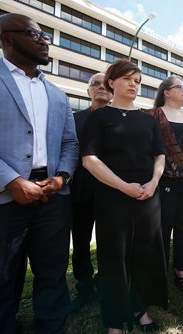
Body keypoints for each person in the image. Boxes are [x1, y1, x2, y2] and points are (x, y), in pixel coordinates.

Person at [0, 13, 79, 333]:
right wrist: (12, 181)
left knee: (53, 274)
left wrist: (61, 177)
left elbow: (70, 143)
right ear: (6, 40)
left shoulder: (58, 94)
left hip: (53, 197)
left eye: (44, 35)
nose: (45, 41)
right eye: (35, 35)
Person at [81, 59, 168, 333]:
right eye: (128, 79)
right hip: (112, 198)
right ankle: (115, 320)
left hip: (147, 197)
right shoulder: (99, 117)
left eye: (137, 80)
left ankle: (139, 309)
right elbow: (89, 160)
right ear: (111, 82)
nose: (134, 84)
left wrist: (154, 182)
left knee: (143, 255)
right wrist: (123, 186)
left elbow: (160, 155)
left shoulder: (148, 119)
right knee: (113, 258)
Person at [146, 75, 183, 293]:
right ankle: (157, 274)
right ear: (166, 92)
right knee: (162, 228)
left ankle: (181, 272)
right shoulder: (152, 115)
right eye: (179, 87)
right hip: (163, 181)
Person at [69, 72, 113, 313]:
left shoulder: (121, 119)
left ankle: (108, 283)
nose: (100, 88)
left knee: (111, 240)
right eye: (95, 84)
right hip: (81, 190)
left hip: (113, 192)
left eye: (106, 84)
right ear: (88, 91)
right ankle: (84, 284)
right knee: (82, 241)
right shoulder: (74, 119)